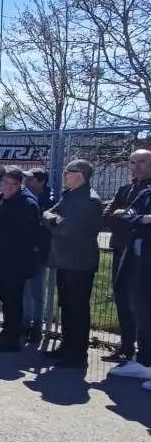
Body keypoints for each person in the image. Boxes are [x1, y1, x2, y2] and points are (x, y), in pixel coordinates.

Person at [42, 160, 103, 369]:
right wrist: (55, 220)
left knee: (77, 308)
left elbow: (69, 229)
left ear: (82, 175)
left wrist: (57, 222)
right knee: (66, 306)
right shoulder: (68, 195)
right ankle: (67, 346)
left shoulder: (90, 200)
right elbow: (47, 214)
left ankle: (78, 355)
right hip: (65, 260)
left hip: (80, 262)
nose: (64, 174)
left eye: (69, 171)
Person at [0, 166, 43, 352]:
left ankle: (13, 339)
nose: (7, 186)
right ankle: (7, 331)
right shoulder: (0, 197)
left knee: (13, 299)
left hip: (16, 262)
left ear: (20, 183)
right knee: (5, 297)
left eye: (12, 183)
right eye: (5, 182)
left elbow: (26, 235)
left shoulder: (26, 202)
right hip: (1, 259)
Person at [102, 149, 151, 363]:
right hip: (121, 250)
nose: (136, 166)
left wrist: (127, 217)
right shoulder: (125, 189)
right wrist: (135, 220)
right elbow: (108, 216)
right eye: (132, 162)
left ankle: (144, 355)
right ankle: (126, 347)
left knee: (141, 303)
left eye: (141, 162)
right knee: (122, 299)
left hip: (143, 255)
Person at [107, 183, 151, 390]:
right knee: (142, 315)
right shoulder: (145, 195)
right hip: (139, 266)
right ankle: (144, 362)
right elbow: (122, 218)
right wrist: (142, 219)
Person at [23, 167, 56, 343]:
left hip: (40, 250)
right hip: (24, 249)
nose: (27, 182)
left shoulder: (49, 199)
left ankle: (37, 326)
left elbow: (45, 226)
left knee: (37, 289)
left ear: (41, 182)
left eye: (31, 179)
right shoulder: (26, 195)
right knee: (25, 288)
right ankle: (25, 323)